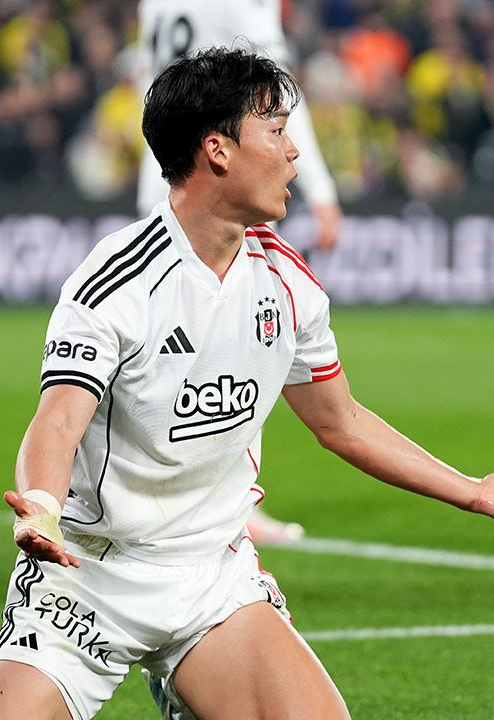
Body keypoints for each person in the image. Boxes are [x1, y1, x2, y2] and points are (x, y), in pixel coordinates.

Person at [0, 48, 494, 720]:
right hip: (89, 579)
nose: (294, 154)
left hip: (212, 579)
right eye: (276, 132)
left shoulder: (286, 283)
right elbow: (58, 420)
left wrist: (475, 492)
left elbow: (342, 422)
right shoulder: (119, 281)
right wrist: (40, 507)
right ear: (217, 150)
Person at [137, 0, 343, 544]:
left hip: (166, 182)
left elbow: (151, 88)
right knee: (236, 351)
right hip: (224, 181)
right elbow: (276, 107)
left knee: (173, 359)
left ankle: (170, 499)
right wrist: (321, 192)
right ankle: (228, 505)